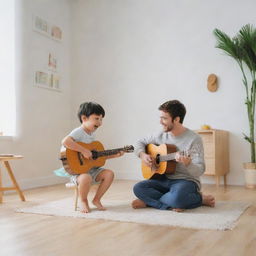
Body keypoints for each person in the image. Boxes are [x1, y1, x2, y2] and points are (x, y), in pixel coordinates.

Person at [132, 100, 215, 212]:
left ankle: (152, 202)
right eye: (160, 118)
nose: (161, 122)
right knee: (138, 188)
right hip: (163, 179)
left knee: (178, 197)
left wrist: (188, 164)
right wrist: (143, 155)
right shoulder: (159, 135)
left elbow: (200, 170)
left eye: (164, 118)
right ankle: (173, 203)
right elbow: (139, 142)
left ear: (176, 119)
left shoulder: (194, 139)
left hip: (185, 181)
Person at [62, 102, 124, 213]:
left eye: (101, 119)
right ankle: (83, 201)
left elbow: (95, 157)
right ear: (84, 118)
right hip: (78, 172)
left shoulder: (92, 134)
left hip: (91, 170)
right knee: (86, 178)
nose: (100, 122)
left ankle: (96, 199)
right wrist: (83, 150)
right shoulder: (79, 132)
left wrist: (115, 155)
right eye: (97, 118)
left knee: (109, 174)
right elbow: (66, 141)